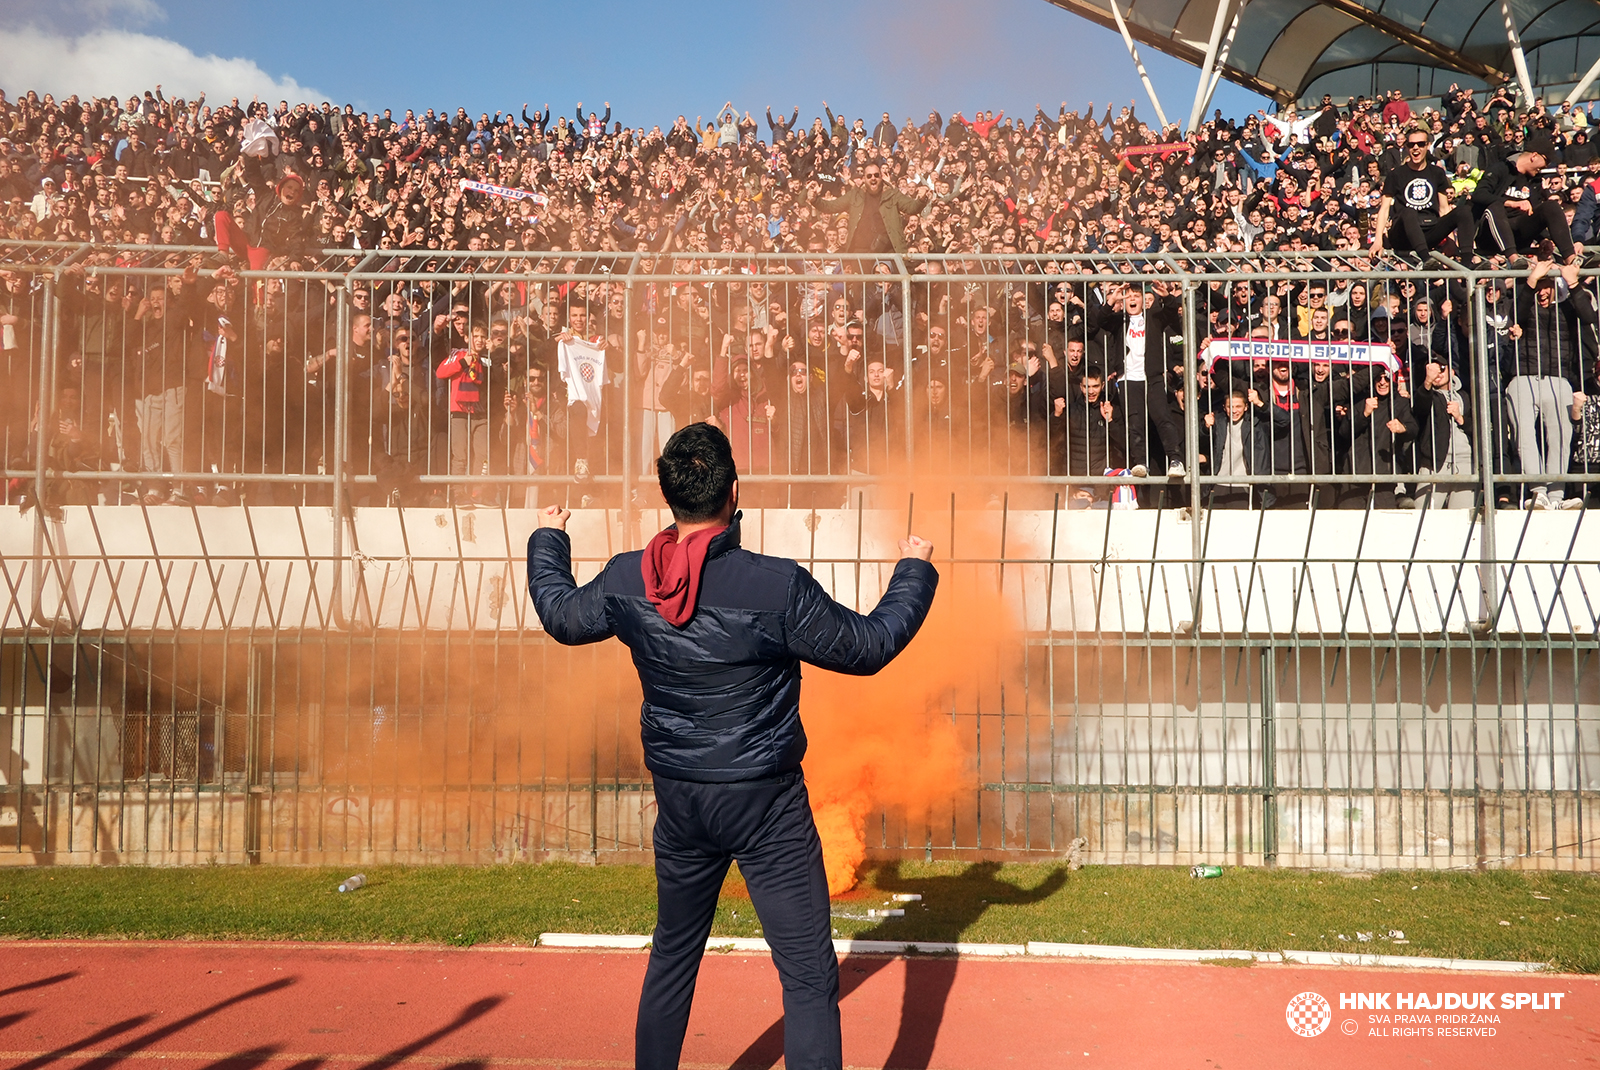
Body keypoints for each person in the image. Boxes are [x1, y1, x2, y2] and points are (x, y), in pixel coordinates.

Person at [527, 422, 938, 1070]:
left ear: (669, 495)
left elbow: (560, 615)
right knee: (806, 977)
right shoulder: (774, 586)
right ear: (735, 491)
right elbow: (868, 648)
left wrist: (550, 536)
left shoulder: (628, 578)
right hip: (766, 804)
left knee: (673, 955)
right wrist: (913, 569)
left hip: (682, 800)